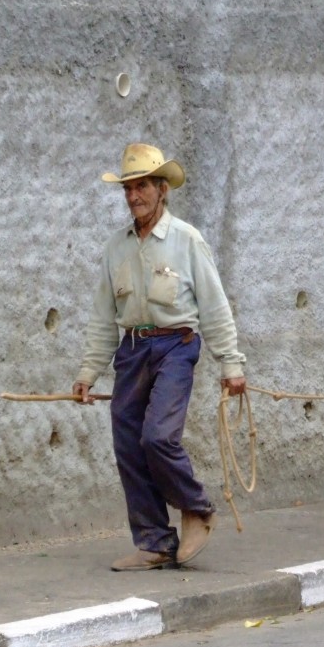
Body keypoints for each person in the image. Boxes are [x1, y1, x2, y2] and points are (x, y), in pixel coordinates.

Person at [73, 142, 247, 571]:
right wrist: (88, 371)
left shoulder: (187, 240)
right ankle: (154, 542)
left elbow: (214, 305)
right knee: (128, 444)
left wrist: (232, 362)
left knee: (157, 437)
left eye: (143, 186)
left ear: (162, 190)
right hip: (132, 350)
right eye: (128, 189)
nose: (135, 196)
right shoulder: (116, 248)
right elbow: (102, 316)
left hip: (176, 347)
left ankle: (197, 507)